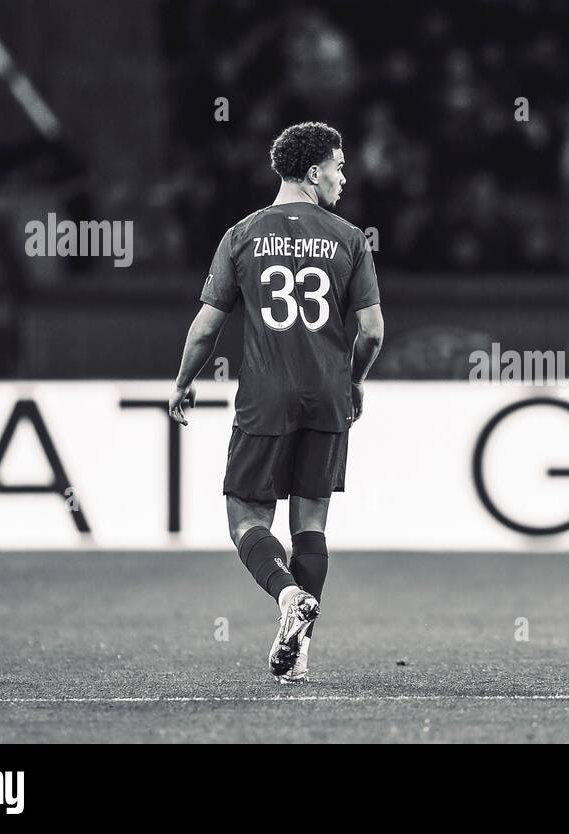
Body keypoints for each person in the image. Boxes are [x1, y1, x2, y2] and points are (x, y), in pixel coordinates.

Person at [167, 122, 384, 682]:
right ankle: (301, 654)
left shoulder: (241, 235)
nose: (343, 175)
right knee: (310, 523)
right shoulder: (351, 239)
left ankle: (287, 596)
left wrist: (184, 381)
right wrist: (354, 380)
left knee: (245, 515)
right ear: (313, 173)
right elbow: (374, 332)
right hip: (328, 396)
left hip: (265, 398)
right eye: (338, 165)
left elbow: (205, 328)